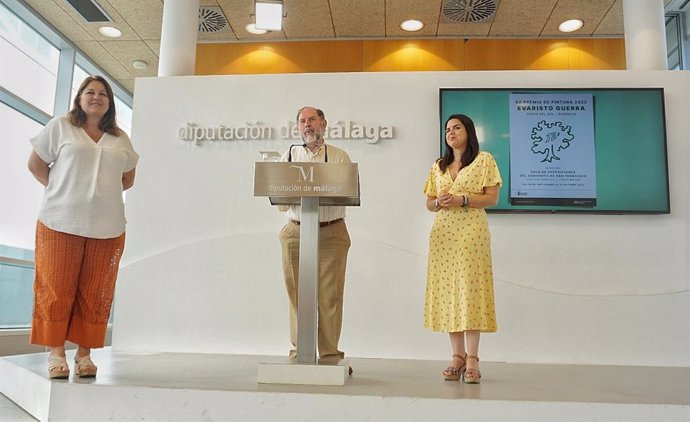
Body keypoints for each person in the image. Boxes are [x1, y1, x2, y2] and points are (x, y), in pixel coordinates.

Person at [27, 75, 139, 379]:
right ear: (79, 97)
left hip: (108, 227)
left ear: (110, 103)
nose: (96, 97)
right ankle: (56, 354)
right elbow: (36, 164)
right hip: (59, 222)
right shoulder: (62, 126)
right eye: (90, 92)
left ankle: (84, 355)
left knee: (95, 291)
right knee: (57, 288)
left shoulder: (119, 137)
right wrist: (60, 190)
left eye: (103, 94)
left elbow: (129, 176)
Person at [423, 114, 502, 384]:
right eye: (447, 129)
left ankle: (472, 359)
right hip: (443, 235)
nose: (451, 132)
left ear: (468, 131)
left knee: (470, 290)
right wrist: (440, 203)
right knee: (449, 293)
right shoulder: (439, 165)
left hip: (471, 234)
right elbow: (429, 202)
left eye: (456, 127)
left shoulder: (484, 160)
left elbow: (492, 198)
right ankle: (456, 356)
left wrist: (463, 199)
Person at [278, 106, 352, 363]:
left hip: (331, 231)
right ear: (297, 127)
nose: (307, 125)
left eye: (312, 120)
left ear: (324, 124)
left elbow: (345, 193)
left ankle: (330, 356)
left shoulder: (339, 156)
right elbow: (280, 200)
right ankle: (301, 353)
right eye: (302, 121)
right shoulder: (288, 155)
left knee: (330, 297)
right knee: (297, 295)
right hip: (295, 232)